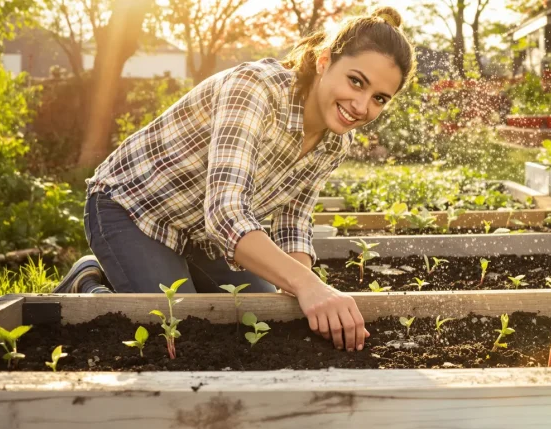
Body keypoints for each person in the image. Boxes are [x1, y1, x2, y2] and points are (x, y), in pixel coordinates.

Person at [53, 6, 416, 353]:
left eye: (379, 98)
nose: (361, 106)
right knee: (181, 331)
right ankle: (87, 285)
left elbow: (294, 221)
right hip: (134, 209)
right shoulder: (255, 89)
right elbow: (226, 213)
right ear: (324, 61)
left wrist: (302, 292)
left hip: (204, 238)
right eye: (356, 82)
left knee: (263, 320)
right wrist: (308, 286)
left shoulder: (337, 142)